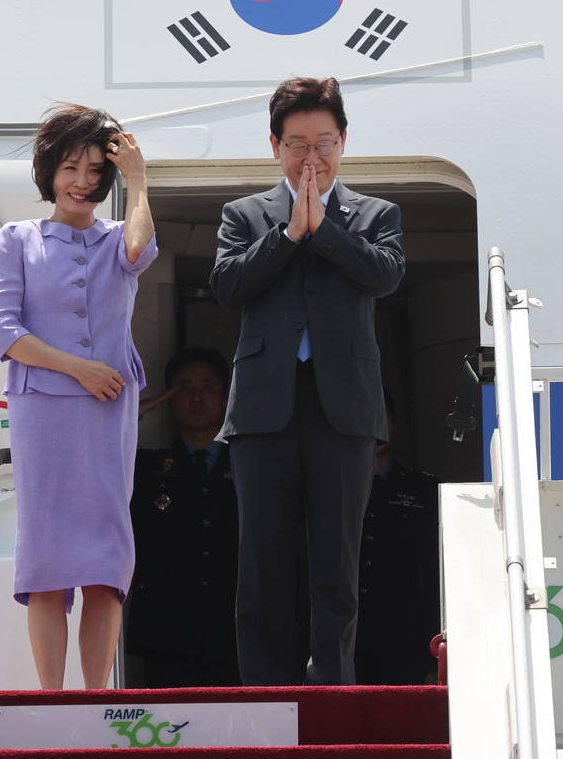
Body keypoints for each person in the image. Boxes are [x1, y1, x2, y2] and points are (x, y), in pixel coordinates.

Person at [210, 75, 405, 685]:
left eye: (323, 142)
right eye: (297, 144)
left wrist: (325, 229)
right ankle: (265, 694)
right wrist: (291, 231)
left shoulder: (376, 214)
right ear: (275, 146)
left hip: (342, 411)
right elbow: (228, 285)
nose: (311, 157)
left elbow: (384, 276)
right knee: (262, 565)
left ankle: (333, 693)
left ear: (343, 142)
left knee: (336, 566)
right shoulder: (243, 214)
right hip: (264, 412)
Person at [0, 103, 156, 690]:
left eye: (94, 171)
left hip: (108, 412)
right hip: (44, 411)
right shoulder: (16, 239)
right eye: (70, 169)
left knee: (107, 562)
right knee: (49, 558)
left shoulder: (116, 240)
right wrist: (78, 368)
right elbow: (3, 332)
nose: (83, 182)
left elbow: (137, 250)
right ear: (48, 173)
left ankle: (95, 699)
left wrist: (137, 179)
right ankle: (51, 702)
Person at [127, 348, 240, 687]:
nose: (196, 396)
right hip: (167, 629)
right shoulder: (146, 467)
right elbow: (95, 449)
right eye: (183, 386)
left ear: (225, 397)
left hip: (234, 627)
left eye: (208, 386)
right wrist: (135, 409)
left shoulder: (252, 464)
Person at [354, 392, 441, 684]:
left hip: (406, 638)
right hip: (346, 640)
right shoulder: (330, 488)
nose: (375, 425)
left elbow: (435, 574)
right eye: (364, 415)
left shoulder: (424, 489)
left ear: (395, 424)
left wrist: (434, 657)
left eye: (382, 416)